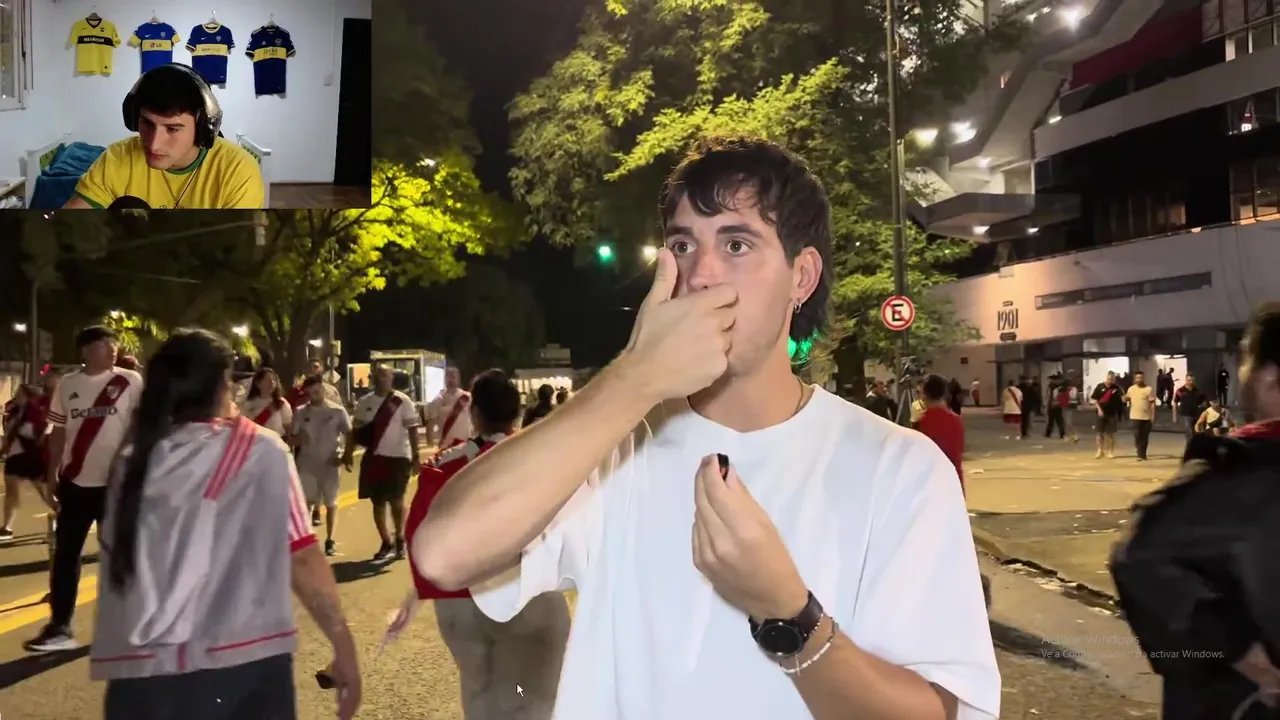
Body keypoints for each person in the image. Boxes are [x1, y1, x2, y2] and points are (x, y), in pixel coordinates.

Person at [413, 136, 999, 719]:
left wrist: (789, 614)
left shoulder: (901, 468)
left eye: (737, 244)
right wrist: (634, 377)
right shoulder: (613, 447)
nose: (700, 274)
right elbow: (442, 553)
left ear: (801, 277)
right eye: (682, 245)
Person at [88, 329, 360, 719]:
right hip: (240, 665)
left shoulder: (131, 460)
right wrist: (343, 646)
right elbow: (301, 558)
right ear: (221, 385)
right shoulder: (260, 451)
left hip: (137, 676)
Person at [1111, 303, 1280, 719]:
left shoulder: (1238, 477)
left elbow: (1138, 555)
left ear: (1268, 378)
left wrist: (1240, 651)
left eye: (1245, 360)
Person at [390, 369, 570, 719]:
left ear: (474, 414)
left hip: (462, 605)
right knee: (530, 696)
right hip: (530, 596)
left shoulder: (443, 464)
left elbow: (422, 539)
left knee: (480, 692)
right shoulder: (544, 456)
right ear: (518, 411)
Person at [25, 327, 144, 653]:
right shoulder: (68, 384)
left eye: (114, 344)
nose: (113, 348)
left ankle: (125, 627)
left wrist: (125, 459)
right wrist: (52, 474)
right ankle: (60, 626)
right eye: (105, 344)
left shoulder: (130, 381)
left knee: (118, 555)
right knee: (66, 556)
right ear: (86, 350)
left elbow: (139, 424)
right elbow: (59, 431)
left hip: (116, 483)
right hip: (75, 482)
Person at [64, 63, 264, 210]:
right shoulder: (117, 157)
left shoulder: (237, 170)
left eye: (173, 129)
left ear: (203, 127)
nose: (154, 145)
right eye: (147, 124)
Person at [343, 366, 421, 562]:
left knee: (396, 500)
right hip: (374, 457)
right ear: (372, 378)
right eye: (377, 375)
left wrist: (416, 456)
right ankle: (386, 541)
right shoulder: (365, 402)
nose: (381, 378)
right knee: (377, 502)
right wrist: (348, 453)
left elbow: (412, 430)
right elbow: (355, 431)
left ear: (392, 378)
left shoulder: (402, 401)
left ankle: (400, 536)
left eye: (385, 374)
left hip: (398, 457)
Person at [292, 376, 352, 555]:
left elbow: (349, 434)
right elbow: (292, 439)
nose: (314, 394)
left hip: (330, 464)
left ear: (323, 389)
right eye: (310, 392)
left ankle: (330, 540)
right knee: (308, 502)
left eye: (317, 390)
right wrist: (298, 439)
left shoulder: (337, 411)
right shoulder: (300, 412)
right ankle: (308, 540)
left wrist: (345, 456)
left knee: (331, 503)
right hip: (307, 463)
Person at [0, 384, 55, 540]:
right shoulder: (14, 411)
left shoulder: (36, 412)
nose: (16, 395)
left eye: (19, 393)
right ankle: (7, 528)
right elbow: (9, 432)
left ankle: (63, 519)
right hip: (14, 455)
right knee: (11, 492)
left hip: (32, 456)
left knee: (45, 492)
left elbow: (42, 431)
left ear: (28, 396)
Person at [423, 367, 473, 450]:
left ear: (458, 380)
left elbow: (475, 419)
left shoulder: (467, 397)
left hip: (465, 444)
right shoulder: (438, 400)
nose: (450, 380)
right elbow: (430, 425)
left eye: (453, 377)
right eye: (447, 377)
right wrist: (430, 446)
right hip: (446, 446)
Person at [240, 367, 292, 438]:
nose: (272, 383)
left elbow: (287, 426)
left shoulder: (280, 403)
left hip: (276, 442)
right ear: (258, 383)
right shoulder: (249, 404)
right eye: (267, 380)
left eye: (274, 380)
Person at [1091, 371, 1125, 459]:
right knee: (1099, 433)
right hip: (1101, 413)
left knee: (1111, 434)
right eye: (1108, 379)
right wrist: (1099, 410)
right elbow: (1095, 400)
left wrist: (1120, 412)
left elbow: (1121, 400)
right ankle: (1100, 450)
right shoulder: (1100, 386)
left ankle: (1110, 451)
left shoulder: (1117, 388)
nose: (1110, 380)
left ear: (1114, 379)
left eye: (1112, 379)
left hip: (1112, 414)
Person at [1125, 371, 1156, 461]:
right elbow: (1126, 399)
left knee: (1145, 437)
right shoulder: (1131, 389)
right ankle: (1139, 452)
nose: (1139, 380)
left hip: (1146, 417)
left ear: (1143, 378)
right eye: (1137, 378)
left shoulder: (1148, 389)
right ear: (1135, 379)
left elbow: (1152, 404)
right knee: (1137, 435)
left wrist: (1153, 416)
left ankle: (1142, 455)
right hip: (1135, 416)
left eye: (1141, 378)